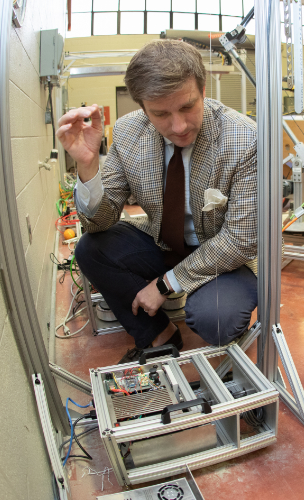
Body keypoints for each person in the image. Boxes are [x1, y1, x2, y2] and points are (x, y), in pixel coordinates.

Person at [56, 40, 258, 364]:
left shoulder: (245, 139)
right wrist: (88, 165)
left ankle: (197, 299)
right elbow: (101, 222)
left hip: (222, 252)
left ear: (203, 90)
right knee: (90, 249)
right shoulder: (126, 132)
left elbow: (241, 239)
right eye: (161, 114)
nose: (178, 127)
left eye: (188, 107)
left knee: (216, 318)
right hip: (163, 243)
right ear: (142, 107)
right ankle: (159, 335)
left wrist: (164, 286)